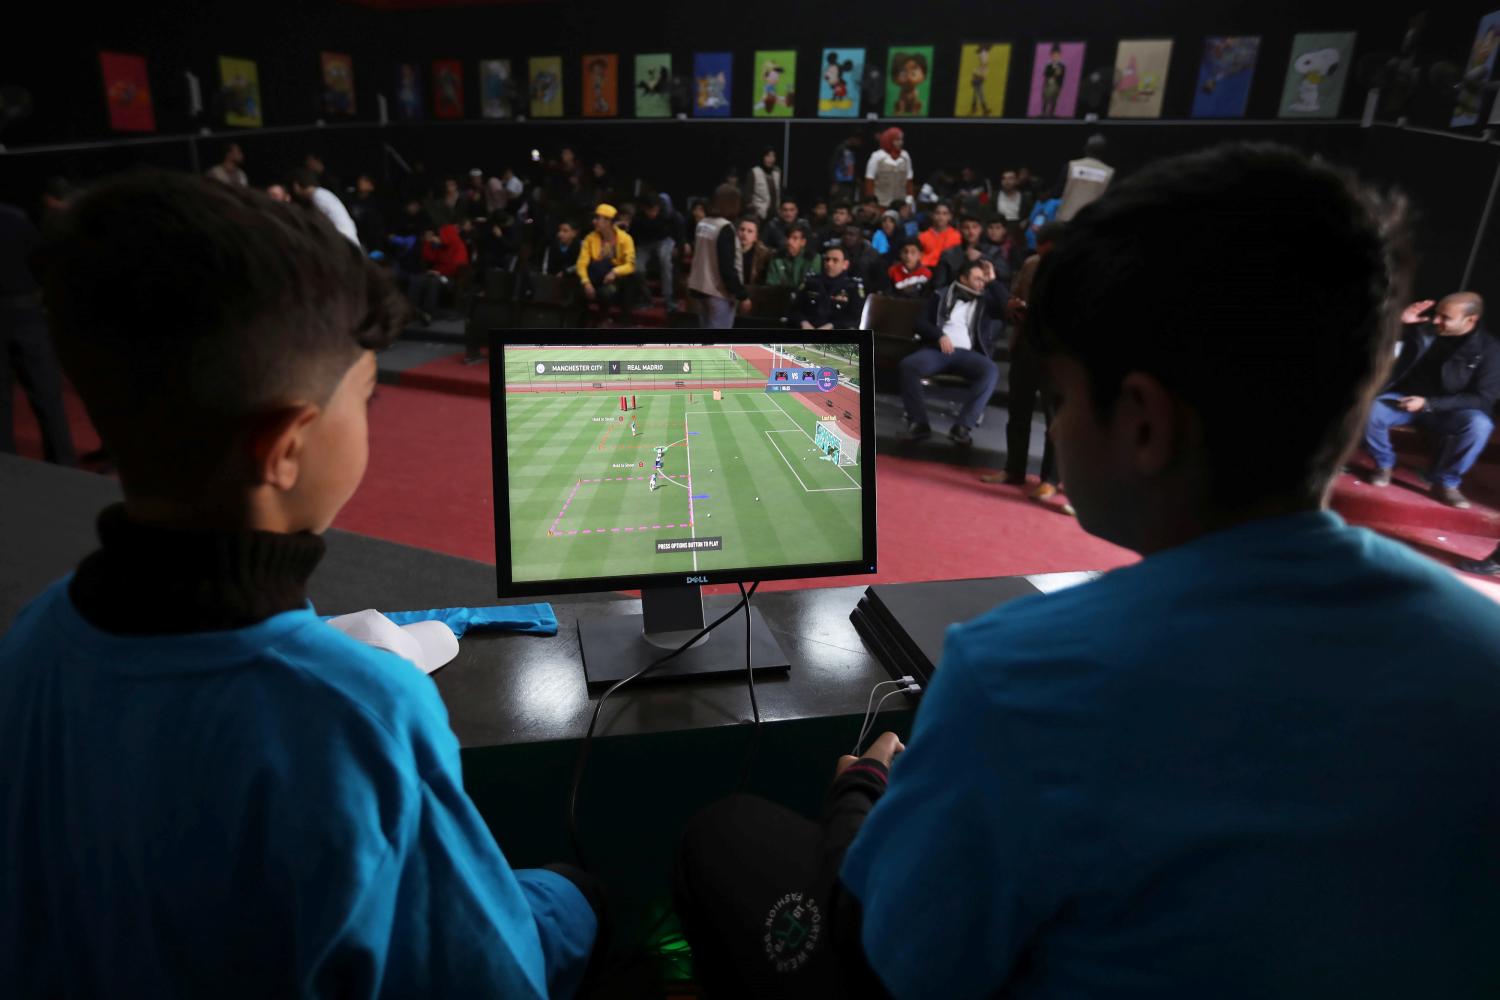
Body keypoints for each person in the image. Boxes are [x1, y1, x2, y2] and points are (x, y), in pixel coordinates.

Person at [674, 143, 1500, 999]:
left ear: (1141, 421)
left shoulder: (1019, 674)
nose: (1055, 425)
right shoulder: (1486, 649)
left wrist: (863, 791)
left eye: (1060, 397)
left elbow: (894, 952)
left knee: (724, 833)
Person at [3, 172, 603, 997]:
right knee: (578, 893)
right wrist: (570, 902)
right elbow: (497, 977)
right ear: (286, 445)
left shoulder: (32, 639)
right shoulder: (358, 714)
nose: (372, 414)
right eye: (366, 395)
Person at [1362, 293, 1498, 508]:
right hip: (1403, 399)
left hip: (1448, 408)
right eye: (1436, 315)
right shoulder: (1423, 329)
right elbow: (1371, 339)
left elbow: (1484, 398)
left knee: (1479, 425)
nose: (1436, 321)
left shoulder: (1489, 349)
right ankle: (1384, 464)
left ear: (1470, 320)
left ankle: (1446, 483)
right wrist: (1399, 322)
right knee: (1369, 410)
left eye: (1445, 318)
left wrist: (1429, 404)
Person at [985, 222, 1065, 504]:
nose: (1043, 259)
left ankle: (1050, 480)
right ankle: (1014, 470)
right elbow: (1014, 295)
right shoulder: (1031, 264)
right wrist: (1013, 305)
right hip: (1025, 347)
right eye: (1040, 253)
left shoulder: (1076, 270)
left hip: (1056, 356)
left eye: (1049, 254)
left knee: (1055, 421)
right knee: (1017, 414)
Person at [898, 258, 1005, 445]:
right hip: (938, 351)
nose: (982, 283)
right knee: (909, 366)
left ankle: (962, 427)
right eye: (977, 278)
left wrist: (993, 281)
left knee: (990, 370)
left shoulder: (986, 301)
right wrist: (939, 335)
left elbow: (1006, 306)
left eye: (984, 279)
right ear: (963, 278)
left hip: (969, 354)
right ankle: (919, 423)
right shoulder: (940, 295)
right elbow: (920, 322)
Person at [0, 201, 75, 465]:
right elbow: (41, 262)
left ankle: (7, 470)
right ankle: (64, 464)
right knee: (48, 398)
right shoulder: (18, 218)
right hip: (28, 315)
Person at [687, 184, 748, 329]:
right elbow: (727, 268)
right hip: (719, 294)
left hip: (700, 290)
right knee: (718, 346)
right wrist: (741, 295)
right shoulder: (725, 228)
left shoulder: (702, 224)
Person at [576, 204, 636, 318]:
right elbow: (581, 263)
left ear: (609, 222)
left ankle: (607, 319)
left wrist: (615, 272)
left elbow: (630, 265)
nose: (594, 221)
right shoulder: (590, 238)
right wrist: (586, 282)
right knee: (580, 290)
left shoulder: (626, 239)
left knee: (605, 292)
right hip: (596, 274)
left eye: (598, 218)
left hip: (617, 277)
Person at [786, 246, 865, 331]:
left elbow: (854, 318)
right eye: (827, 260)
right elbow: (794, 309)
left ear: (845, 265)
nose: (829, 263)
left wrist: (832, 326)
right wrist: (803, 322)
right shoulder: (811, 282)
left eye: (835, 260)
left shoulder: (852, 287)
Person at [632, 193, 685, 309]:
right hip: (644, 243)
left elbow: (678, 228)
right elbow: (633, 236)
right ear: (644, 208)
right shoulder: (638, 217)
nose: (653, 213)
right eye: (650, 211)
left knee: (665, 260)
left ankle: (668, 297)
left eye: (655, 210)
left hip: (664, 240)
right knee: (637, 267)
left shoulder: (667, 213)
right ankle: (646, 298)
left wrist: (678, 245)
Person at [290, 167, 359, 246]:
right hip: (347, 239)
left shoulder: (318, 197)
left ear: (296, 187)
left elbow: (322, 225)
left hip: (344, 241)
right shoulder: (322, 194)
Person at [1056, 134, 1115, 222]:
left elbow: (1058, 191)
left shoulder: (1071, 166)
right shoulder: (1109, 172)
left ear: (1086, 148)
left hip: (1067, 218)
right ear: (1104, 152)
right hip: (1092, 222)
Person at [931, 213, 986, 289]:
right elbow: (939, 285)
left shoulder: (993, 251)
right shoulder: (947, 254)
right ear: (959, 230)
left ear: (981, 229)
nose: (971, 231)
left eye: (975, 227)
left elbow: (1004, 274)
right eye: (966, 228)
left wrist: (983, 257)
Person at [864, 128, 914, 210]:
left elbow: (909, 181)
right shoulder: (877, 156)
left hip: (900, 205)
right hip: (881, 204)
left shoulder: (905, 156)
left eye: (901, 140)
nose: (900, 143)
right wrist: (871, 205)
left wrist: (909, 202)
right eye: (897, 140)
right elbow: (869, 181)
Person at [767, 223, 820, 289]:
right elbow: (772, 285)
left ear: (803, 242)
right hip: (780, 297)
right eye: (788, 237)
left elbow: (811, 285)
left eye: (795, 238)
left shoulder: (813, 258)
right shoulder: (777, 258)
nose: (789, 241)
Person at [348, 174, 386, 253]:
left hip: (368, 243)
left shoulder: (374, 204)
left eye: (365, 181)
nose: (360, 182)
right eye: (361, 180)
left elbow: (376, 228)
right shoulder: (350, 199)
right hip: (352, 237)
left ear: (371, 187)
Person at [916, 200, 960, 269]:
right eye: (937, 213)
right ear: (932, 215)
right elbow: (918, 258)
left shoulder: (956, 235)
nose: (941, 217)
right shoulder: (922, 236)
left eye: (944, 213)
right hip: (926, 270)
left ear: (950, 216)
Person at [736, 215, 773, 289]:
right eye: (742, 229)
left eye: (750, 231)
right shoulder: (729, 249)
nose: (744, 234)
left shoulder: (764, 254)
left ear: (756, 237)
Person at [748, 148, 782, 222]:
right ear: (763, 157)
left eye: (773, 156)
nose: (771, 159)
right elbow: (748, 195)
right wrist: (754, 213)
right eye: (768, 156)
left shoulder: (776, 172)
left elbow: (778, 193)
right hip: (759, 215)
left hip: (774, 215)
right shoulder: (754, 172)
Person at [1041, 43, 1067, 117]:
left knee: (1054, 100)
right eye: (1054, 55)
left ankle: (1051, 113)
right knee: (1046, 99)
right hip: (1048, 86)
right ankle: (1044, 113)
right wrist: (1051, 77)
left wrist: (1056, 75)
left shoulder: (1062, 66)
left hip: (1057, 86)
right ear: (1051, 56)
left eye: (1057, 55)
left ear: (1060, 56)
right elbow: (1045, 74)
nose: (1055, 57)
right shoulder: (1048, 65)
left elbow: (1061, 76)